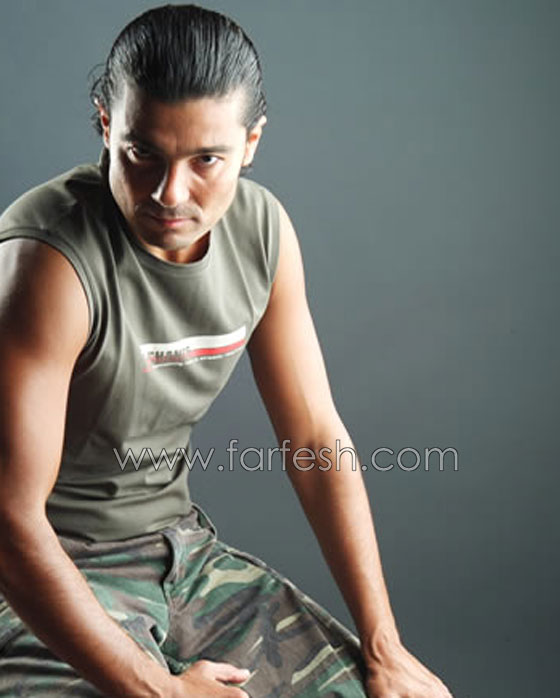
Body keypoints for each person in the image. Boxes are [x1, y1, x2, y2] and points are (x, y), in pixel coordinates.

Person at [0, 4, 454, 697]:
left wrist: (384, 646)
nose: (169, 193)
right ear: (106, 125)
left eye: (205, 160)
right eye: (142, 153)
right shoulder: (49, 263)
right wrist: (163, 691)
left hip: (179, 555)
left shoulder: (262, 232)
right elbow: (10, 524)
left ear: (251, 143)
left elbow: (314, 438)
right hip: (42, 572)